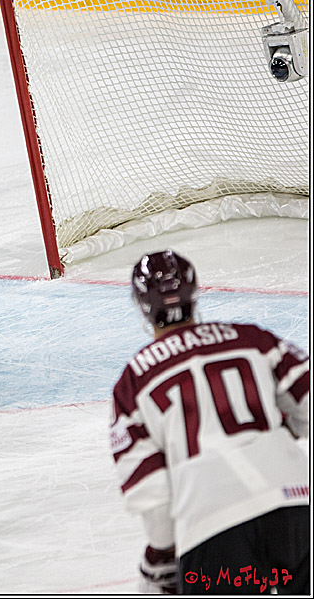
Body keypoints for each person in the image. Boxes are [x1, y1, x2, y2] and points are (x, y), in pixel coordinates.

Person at [110, 250, 309, 595]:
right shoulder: (254, 340)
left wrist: (160, 557)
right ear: (195, 293)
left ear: (142, 306)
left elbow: (154, 500)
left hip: (211, 532)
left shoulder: (133, 383)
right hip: (295, 511)